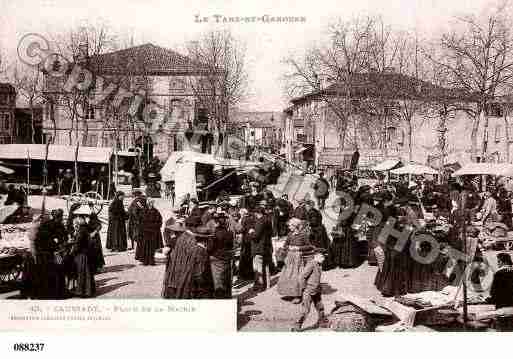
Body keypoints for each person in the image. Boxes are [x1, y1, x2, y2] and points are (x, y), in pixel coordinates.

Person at [161, 217, 214, 299]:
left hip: (175, 277)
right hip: (187, 280)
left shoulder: (181, 237)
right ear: (195, 227)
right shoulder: (193, 241)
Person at [277, 218, 314, 303]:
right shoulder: (290, 234)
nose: (289, 227)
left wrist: (298, 248)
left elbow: (309, 246)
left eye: (290, 225)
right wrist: (288, 247)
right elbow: (285, 245)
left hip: (298, 259)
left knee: (297, 277)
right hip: (290, 258)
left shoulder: (303, 235)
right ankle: (290, 293)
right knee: (288, 276)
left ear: (295, 226)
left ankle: (298, 295)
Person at [291, 250, 329, 332]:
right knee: (305, 310)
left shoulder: (319, 264)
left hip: (316, 290)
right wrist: (305, 288)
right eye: (322, 257)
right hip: (309, 291)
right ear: (316, 256)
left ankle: (322, 322)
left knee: (320, 307)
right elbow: (301, 277)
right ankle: (297, 326)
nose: (324, 259)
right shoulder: (311, 264)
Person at [209, 212, 234, 298]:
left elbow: (210, 247)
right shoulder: (229, 233)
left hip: (217, 258)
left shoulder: (215, 233)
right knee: (226, 279)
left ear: (217, 222)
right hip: (226, 258)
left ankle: (220, 298)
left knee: (218, 281)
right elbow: (230, 246)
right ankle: (227, 297)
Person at [248, 207, 273, 291]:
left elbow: (256, 235)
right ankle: (268, 284)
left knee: (258, 267)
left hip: (258, 247)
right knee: (266, 266)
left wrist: (251, 232)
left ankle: (260, 285)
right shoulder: (268, 220)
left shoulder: (260, 221)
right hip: (267, 246)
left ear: (257, 213)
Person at [70, 218, 96, 297]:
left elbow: (77, 245)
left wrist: (72, 252)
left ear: (77, 224)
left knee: (81, 273)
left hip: (81, 255)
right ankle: (89, 291)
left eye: (74, 224)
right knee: (87, 273)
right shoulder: (84, 230)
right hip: (86, 254)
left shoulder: (80, 232)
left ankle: (82, 292)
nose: (74, 226)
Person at [487, 252, 513, 331]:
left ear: (503, 262)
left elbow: (493, 293)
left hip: (503, 309)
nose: (498, 264)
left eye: (499, 262)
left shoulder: (498, 274)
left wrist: (488, 299)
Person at [139, 199, 164, 266]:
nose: (152, 204)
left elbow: (160, 220)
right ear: (148, 203)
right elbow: (141, 221)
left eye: (152, 203)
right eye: (150, 203)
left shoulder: (156, 211)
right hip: (146, 232)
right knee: (145, 246)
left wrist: (157, 226)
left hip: (153, 232)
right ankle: (145, 261)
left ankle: (151, 260)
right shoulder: (144, 211)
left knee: (152, 247)